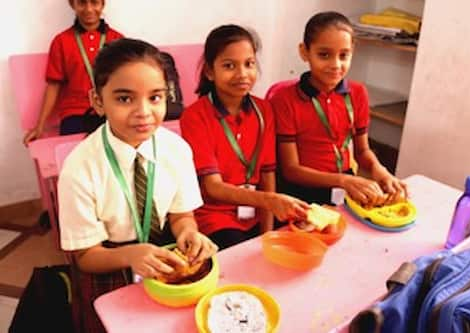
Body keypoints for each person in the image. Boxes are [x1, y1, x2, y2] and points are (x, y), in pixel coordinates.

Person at [57, 38, 218, 332]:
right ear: (97, 101)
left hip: (162, 251)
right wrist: (130, 256)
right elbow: (85, 257)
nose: (144, 111)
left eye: (155, 97)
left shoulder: (177, 149)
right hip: (108, 260)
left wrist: (189, 233)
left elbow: (182, 216)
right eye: (124, 98)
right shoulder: (79, 169)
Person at [180, 25, 309, 250]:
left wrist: (267, 235)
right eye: (229, 65)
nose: (242, 74)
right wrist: (269, 201)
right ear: (210, 71)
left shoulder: (264, 110)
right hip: (216, 215)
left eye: (249, 64)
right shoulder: (194, 116)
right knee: (240, 256)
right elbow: (214, 188)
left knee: (303, 235)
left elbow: (268, 175)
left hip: (260, 211)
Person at [270, 12, 408, 207]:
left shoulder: (357, 93)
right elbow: (291, 170)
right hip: (300, 191)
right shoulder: (285, 99)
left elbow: (363, 150)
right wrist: (343, 180)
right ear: (304, 51)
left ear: (353, 51)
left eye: (344, 55)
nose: (336, 65)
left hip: (345, 183)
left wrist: (380, 171)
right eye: (324, 55)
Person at [23, 0, 123, 145]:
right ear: (72, 4)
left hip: (109, 109)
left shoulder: (117, 40)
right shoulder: (61, 41)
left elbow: (126, 83)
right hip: (75, 113)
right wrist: (40, 126)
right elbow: (53, 85)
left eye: (94, 3)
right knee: (74, 159)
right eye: (82, 3)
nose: (88, 9)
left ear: (102, 4)